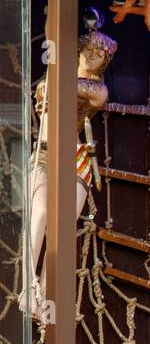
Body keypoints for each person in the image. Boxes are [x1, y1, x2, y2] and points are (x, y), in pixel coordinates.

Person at [28, 22, 117, 310]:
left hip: (74, 156)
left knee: (63, 227)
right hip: (44, 151)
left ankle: (46, 291)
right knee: (40, 213)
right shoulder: (57, 77)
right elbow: (44, 93)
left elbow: (66, 87)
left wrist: (50, 81)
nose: (93, 56)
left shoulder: (97, 88)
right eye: (88, 50)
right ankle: (29, 285)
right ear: (79, 50)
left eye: (100, 54)